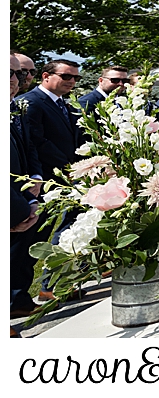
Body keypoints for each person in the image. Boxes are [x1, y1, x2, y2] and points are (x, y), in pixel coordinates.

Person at [22, 59, 84, 302]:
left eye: (75, 78)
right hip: (46, 180)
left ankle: (54, 283)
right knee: (34, 238)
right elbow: (36, 141)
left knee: (69, 229)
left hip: (68, 177)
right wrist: (68, 166)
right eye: (67, 76)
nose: (72, 82)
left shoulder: (63, 104)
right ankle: (19, 297)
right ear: (46, 76)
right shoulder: (32, 103)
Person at [10, 53, 43, 327]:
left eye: (25, 73)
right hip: (13, 200)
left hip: (27, 191)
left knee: (23, 254)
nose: (22, 79)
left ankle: (18, 301)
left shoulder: (16, 107)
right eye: (19, 73)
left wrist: (35, 176)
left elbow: (29, 145)